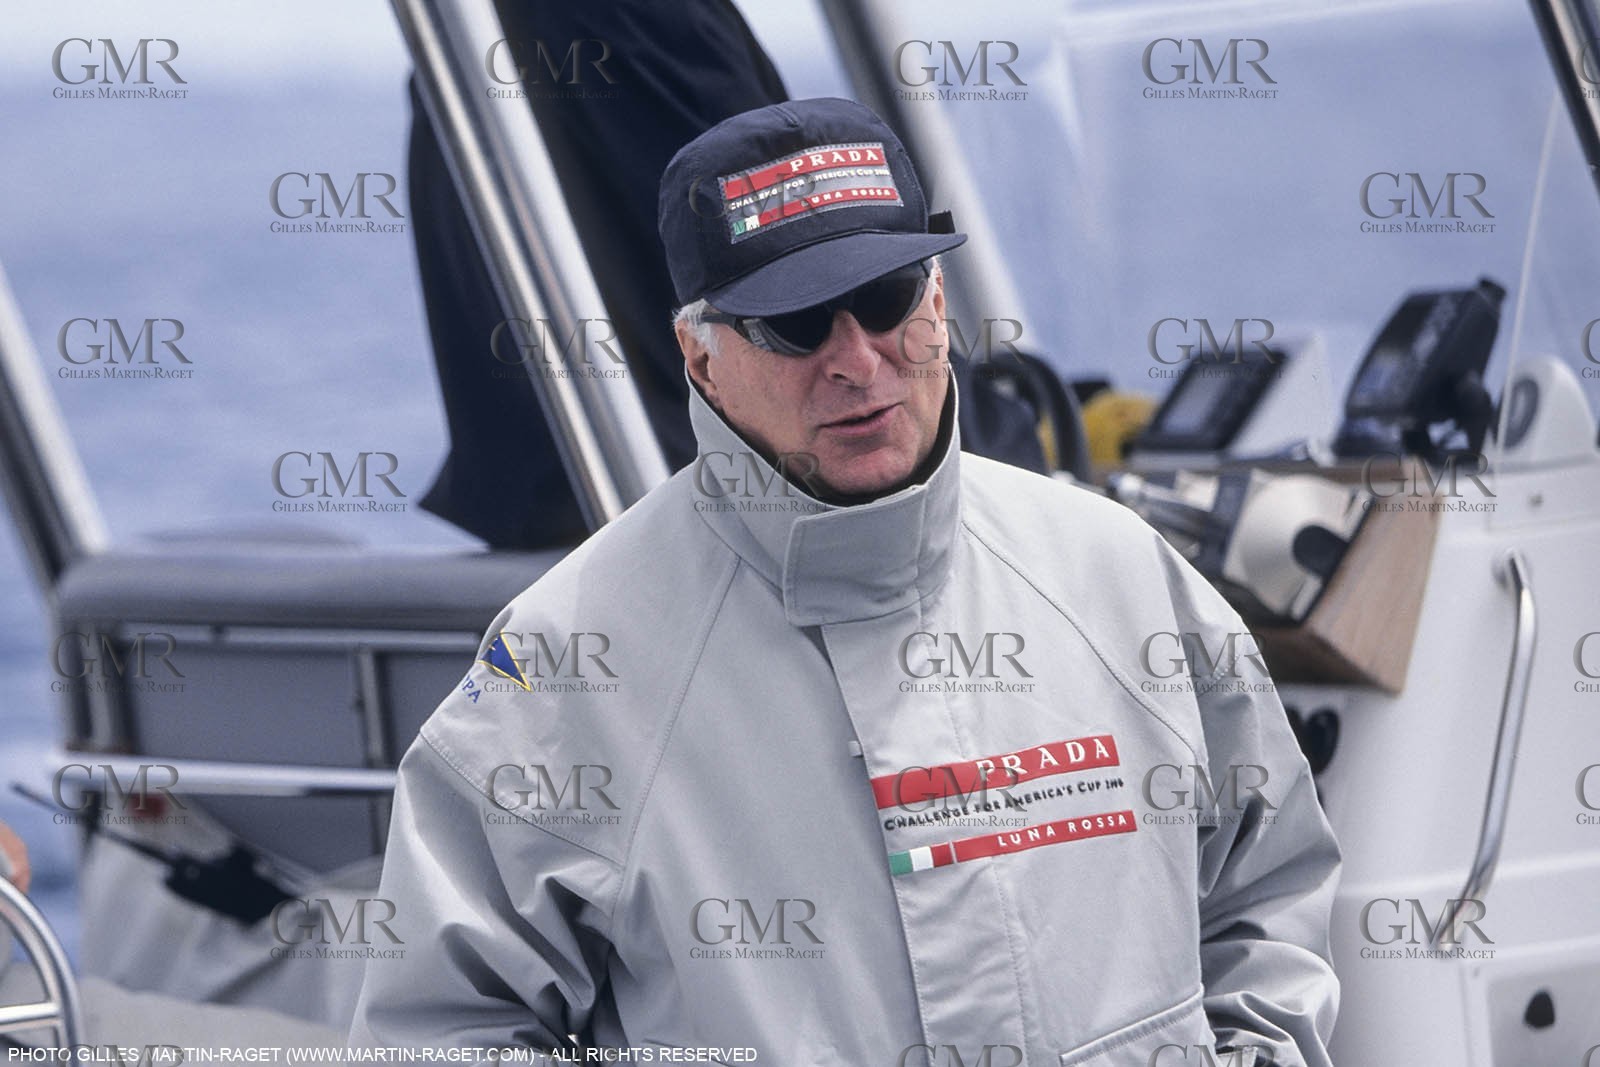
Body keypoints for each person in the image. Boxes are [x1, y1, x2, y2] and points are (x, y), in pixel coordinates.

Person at [350, 98, 1340, 1066]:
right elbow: (437, 1028)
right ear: (700, 357)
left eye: (885, 298)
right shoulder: (569, 662)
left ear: (937, 304)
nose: (856, 360)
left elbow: (1266, 894)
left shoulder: (1120, 572)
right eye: (794, 322)